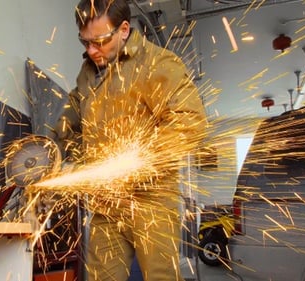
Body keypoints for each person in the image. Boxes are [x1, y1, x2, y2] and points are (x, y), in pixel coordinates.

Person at [53, 0, 207, 280]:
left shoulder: (157, 63)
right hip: (105, 201)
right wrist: (48, 148)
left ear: (124, 29)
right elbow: (70, 119)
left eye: (99, 41)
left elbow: (189, 121)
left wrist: (139, 162)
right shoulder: (89, 72)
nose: (91, 50)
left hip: (152, 201)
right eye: (84, 42)